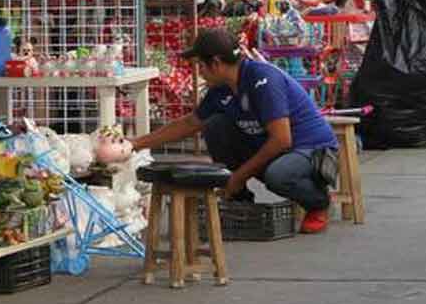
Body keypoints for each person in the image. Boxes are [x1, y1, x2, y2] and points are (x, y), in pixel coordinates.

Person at [130, 29, 339, 234]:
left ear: (216, 63)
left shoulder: (262, 80)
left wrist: (238, 176)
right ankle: (240, 200)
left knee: (278, 175)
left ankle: (318, 203)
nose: (199, 72)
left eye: (201, 66)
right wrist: (134, 144)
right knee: (215, 126)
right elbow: (189, 123)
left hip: (310, 148)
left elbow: (282, 140)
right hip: (272, 146)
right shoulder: (220, 89)